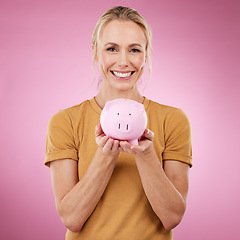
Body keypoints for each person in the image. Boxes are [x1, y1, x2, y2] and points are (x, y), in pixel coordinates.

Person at [45, 6, 192, 240]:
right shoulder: (65, 122)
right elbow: (71, 218)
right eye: (111, 48)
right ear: (95, 52)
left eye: (134, 50)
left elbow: (172, 216)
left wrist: (145, 154)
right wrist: (106, 154)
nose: (123, 61)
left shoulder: (173, 120)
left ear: (145, 55)